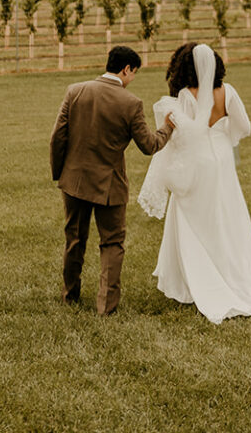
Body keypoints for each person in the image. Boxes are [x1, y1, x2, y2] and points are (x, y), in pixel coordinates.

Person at [137, 42, 251, 324]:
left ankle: (193, 281)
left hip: (197, 162)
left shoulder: (184, 95)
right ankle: (232, 269)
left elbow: (181, 135)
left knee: (192, 216)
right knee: (226, 213)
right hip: (222, 160)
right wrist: (224, 134)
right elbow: (245, 127)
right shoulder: (228, 92)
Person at [49, 45, 175, 315]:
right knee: (112, 244)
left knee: (74, 239)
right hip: (109, 186)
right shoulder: (130, 103)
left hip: (73, 182)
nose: (132, 80)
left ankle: (69, 296)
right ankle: (106, 307)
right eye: (133, 74)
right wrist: (167, 128)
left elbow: (57, 136)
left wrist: (60, 174)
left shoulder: (75, 90)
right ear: (126, 69)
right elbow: (149, 145)